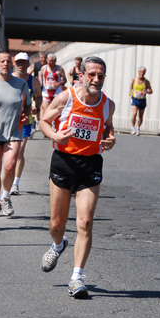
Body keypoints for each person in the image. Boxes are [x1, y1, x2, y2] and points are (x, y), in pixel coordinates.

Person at [38, 56, 116, 299]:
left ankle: (77, 277)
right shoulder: (66, 97)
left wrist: (111, 138)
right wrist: (55, 135)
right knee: (56, 224)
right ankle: (58, 245)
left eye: (100, 75)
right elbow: (43, 121)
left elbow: (108, 126)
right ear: (81, 75)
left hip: (90, 164)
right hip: (63, 162)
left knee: (85, 222)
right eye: (91, 74)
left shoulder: (108, 104)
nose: (95, 79)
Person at [0, 52, 32, 217]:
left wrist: (25, 115)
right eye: (2, 61)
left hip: (14, 131)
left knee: (10, 166)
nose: (5, 64)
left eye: (8, 61)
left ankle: (6, 196)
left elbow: (27, 105)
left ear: (12, 64)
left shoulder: (21, 84)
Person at [11, 52, 42, 195]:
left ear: (28, 64)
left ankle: (15, 183)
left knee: (19, 151)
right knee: (9, 153)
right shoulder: (9, 79)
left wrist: (36, 107)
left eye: (24, 62)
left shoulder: (34, 81)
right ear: (14, 64)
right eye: (18, 62)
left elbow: (39, 97)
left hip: (26, 119)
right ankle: (8, 178)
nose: (21, 65)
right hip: (9, 119)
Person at [128, 66, 153, 136]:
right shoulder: (134, 80)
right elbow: (131, 86)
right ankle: (133, 127)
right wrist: (130, 91)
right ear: (138, 72)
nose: (141, 73)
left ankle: (138, 128)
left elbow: (151, 91)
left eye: (143, 72)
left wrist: (147, 91)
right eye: (140, 72)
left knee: (140, 116)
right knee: (134, 113)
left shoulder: (146, 82)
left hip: (142, 100)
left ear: (145, 73)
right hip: (135, 99)